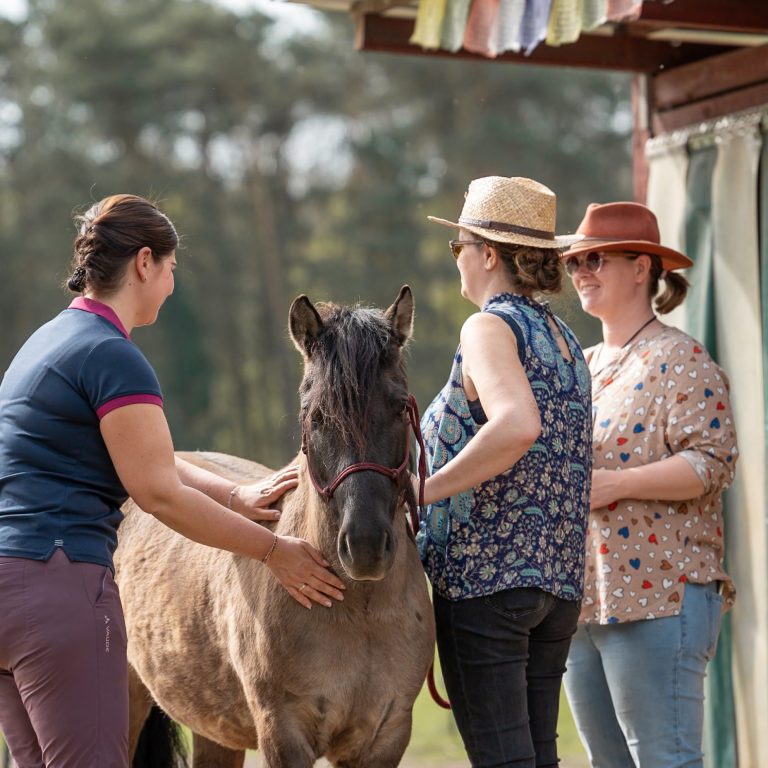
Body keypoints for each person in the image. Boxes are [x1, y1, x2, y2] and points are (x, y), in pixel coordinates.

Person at [0, 194, 345, 767]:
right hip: (61, 589)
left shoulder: (48, 341)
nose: (171, 284)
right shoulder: (112, 356)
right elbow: (158, 492)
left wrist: (232, 494)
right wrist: (272, 551)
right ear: (144, 263)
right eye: (171, 268)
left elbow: (143, 458)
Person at [416, 176, 593, 768]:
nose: (457, 260)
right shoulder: (564, 338)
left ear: (488, 254)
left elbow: (517, 425)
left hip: (486, 582)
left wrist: (424, 490)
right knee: (538, 758)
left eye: (459, 246)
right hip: (555, 586)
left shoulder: (488, 327)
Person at [560, 202, 739, 768]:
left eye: (596, 259)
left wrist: (618, 484)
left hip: (661, 594)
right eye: (575, 262)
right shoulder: (581, 365)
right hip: (586, 598)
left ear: (642, 268)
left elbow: (712, 462)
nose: (581, 271)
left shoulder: (681, 358)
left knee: (666, 759)